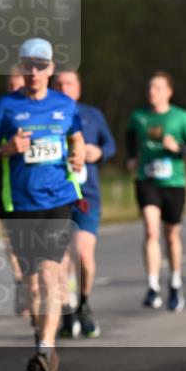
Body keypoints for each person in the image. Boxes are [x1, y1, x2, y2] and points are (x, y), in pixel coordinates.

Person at [0, 37, 85, 371]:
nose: (35, 71)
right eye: (28, 65)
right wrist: (6, 149)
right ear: (21, 68)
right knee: (33, 284)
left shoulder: (65, 105)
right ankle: (41, 338)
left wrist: (78, 154)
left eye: (41, 66)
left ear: (51, 69)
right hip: (19, 204)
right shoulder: (4, 107)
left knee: (51, 273)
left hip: (57, 200)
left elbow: (77, 137)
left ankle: (46, 348)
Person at [126, 72, 186, 310]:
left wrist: (177, 147)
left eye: (157, 88)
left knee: (171, 235)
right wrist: (131, 157)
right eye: (149, 88)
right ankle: (152, 286)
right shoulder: (139, 116)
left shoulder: (181, 117)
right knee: (150, 231)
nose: (152, 92)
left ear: (169, 91)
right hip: (146, 180)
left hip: (174, 184)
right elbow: (129, 136)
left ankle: (175, 282)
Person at [52, 70, 116, 337]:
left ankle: (85, 304)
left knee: (83, 254)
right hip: (55, 195)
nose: (65, 88)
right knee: (61, 259)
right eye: (60, 84)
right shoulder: (47, 115)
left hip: (86, 196)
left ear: (78, 88)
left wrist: (98, 152)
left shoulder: (91, 114)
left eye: (70, 83)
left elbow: (110, 145)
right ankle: (67, 309)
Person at [0, 68, 29, 316]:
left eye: (18, 86)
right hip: (7, 187)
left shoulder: (41, 109)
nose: (14, 90)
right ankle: (21, 281)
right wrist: (4, 148)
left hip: (41, 189)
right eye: (10, 86)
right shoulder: (3, 112)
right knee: (13, 241)